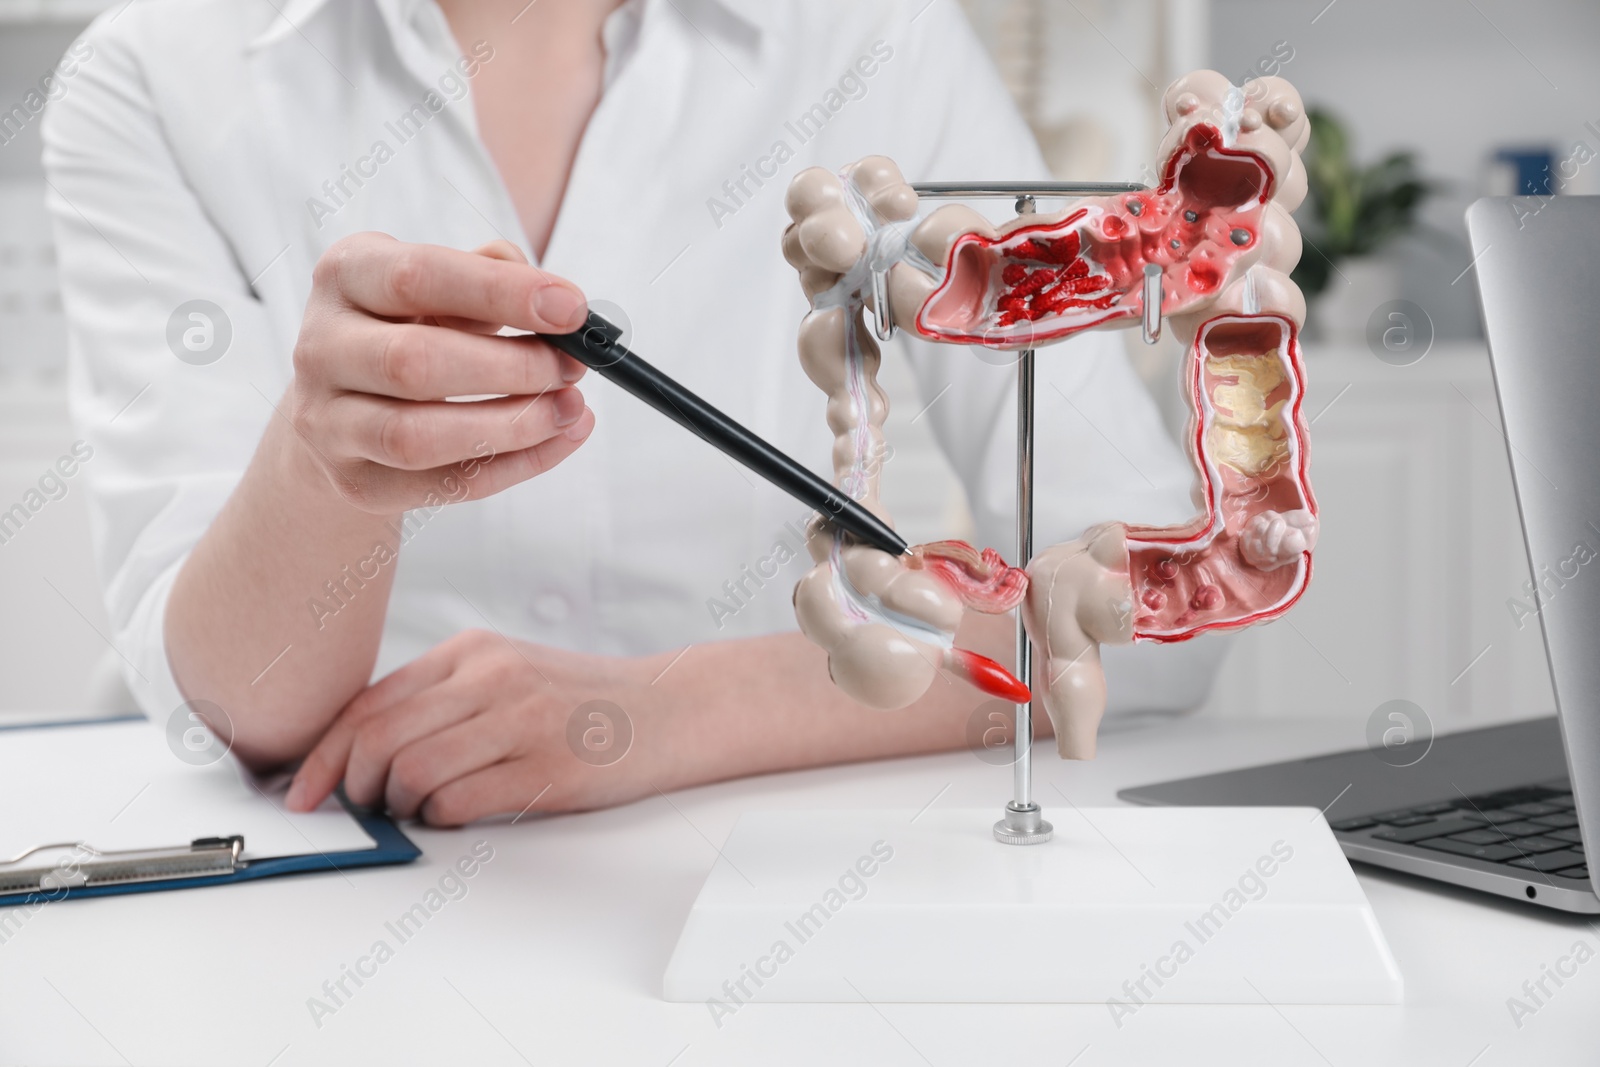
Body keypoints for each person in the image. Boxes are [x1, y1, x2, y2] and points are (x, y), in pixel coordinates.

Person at [44, 0, 1198, 826]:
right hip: (339, 874)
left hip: (771, 856)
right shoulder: (155, 68)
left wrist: (661, 714)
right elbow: (230, 703)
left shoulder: (874, 34)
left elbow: (1156, 602)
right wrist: (325, 464)